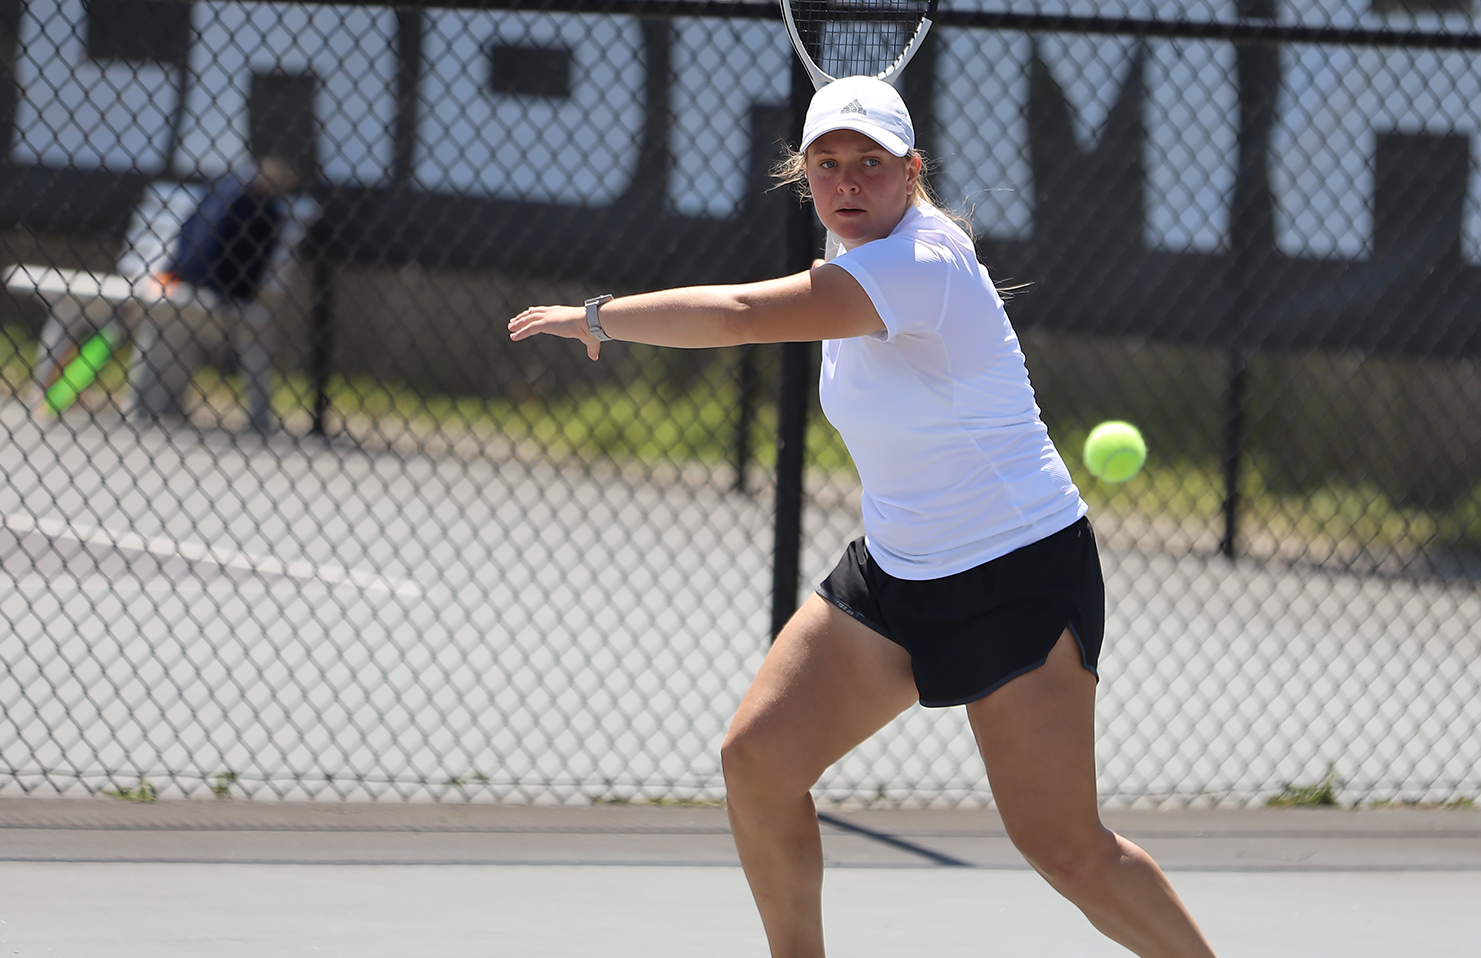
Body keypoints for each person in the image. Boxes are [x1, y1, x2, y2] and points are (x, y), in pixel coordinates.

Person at [508, 76, 1216, 958]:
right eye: (828, 165)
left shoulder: (924, 262)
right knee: (758, 763)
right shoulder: (849, 265)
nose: (848, 183)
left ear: (912, 172)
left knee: (1066, 849)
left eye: (871, 165)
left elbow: (737, 314)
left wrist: (599, 319)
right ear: (804, 177)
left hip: (1017, 573)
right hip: (896, 575)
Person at [127, 156, 310, 433]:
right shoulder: (238, 196)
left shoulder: (255, 205)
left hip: (216, 291)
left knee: (171, 323)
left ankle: (153, 404)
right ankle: (149, 403)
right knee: (167, 323)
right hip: (196, 283)